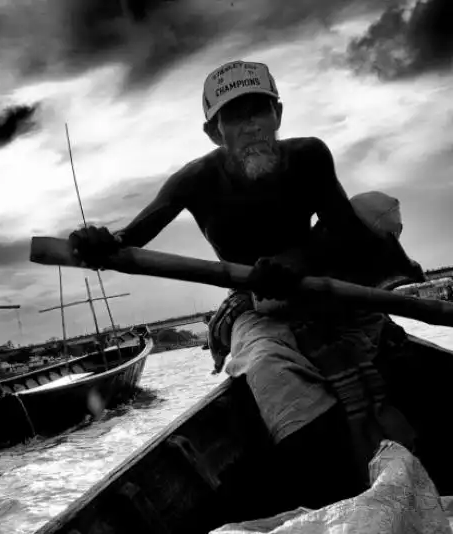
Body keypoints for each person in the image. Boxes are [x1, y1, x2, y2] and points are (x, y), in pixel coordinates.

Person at [69, 60, 424, 506]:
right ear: (214, 133)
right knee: (267, 370)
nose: (252, 127)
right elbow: (129, 241)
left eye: (259, 112)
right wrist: (100, 243)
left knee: (381, 310)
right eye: (236, 118)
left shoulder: (310, 156)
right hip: (257, 306)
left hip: (321, 285)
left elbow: (345, 231)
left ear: (278, 114)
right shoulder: (194, 181)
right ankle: (339, 500)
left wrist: (296, 260)